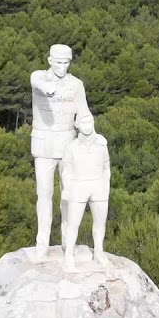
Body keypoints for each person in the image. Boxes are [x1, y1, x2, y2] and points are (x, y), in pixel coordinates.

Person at [30, 44, 91, 259]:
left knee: (68, 195)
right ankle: (42, 244)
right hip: (44, 144)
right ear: (49, 60)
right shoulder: (39, 77)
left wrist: (89, 132)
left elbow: (84, 114)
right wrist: (50, 87)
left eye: (66, 63)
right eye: (58, 62)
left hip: (68, 144)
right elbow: (37, 81)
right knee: (44, 195)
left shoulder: (76, 85)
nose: (62, 67)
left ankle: (68, 242)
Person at [60, 113, 110, 268]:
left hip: (98, 186)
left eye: (90, 122)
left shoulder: (101, 143)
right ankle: (69, 254)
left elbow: (106, 167)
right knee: (73, 224)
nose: (88, 125)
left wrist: (105, 186)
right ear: (77, 125)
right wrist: (68, 188)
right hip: (78, 186)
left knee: (100, 223)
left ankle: (99, 252)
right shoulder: (71, 146)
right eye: (84, 122)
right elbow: (66, 170)